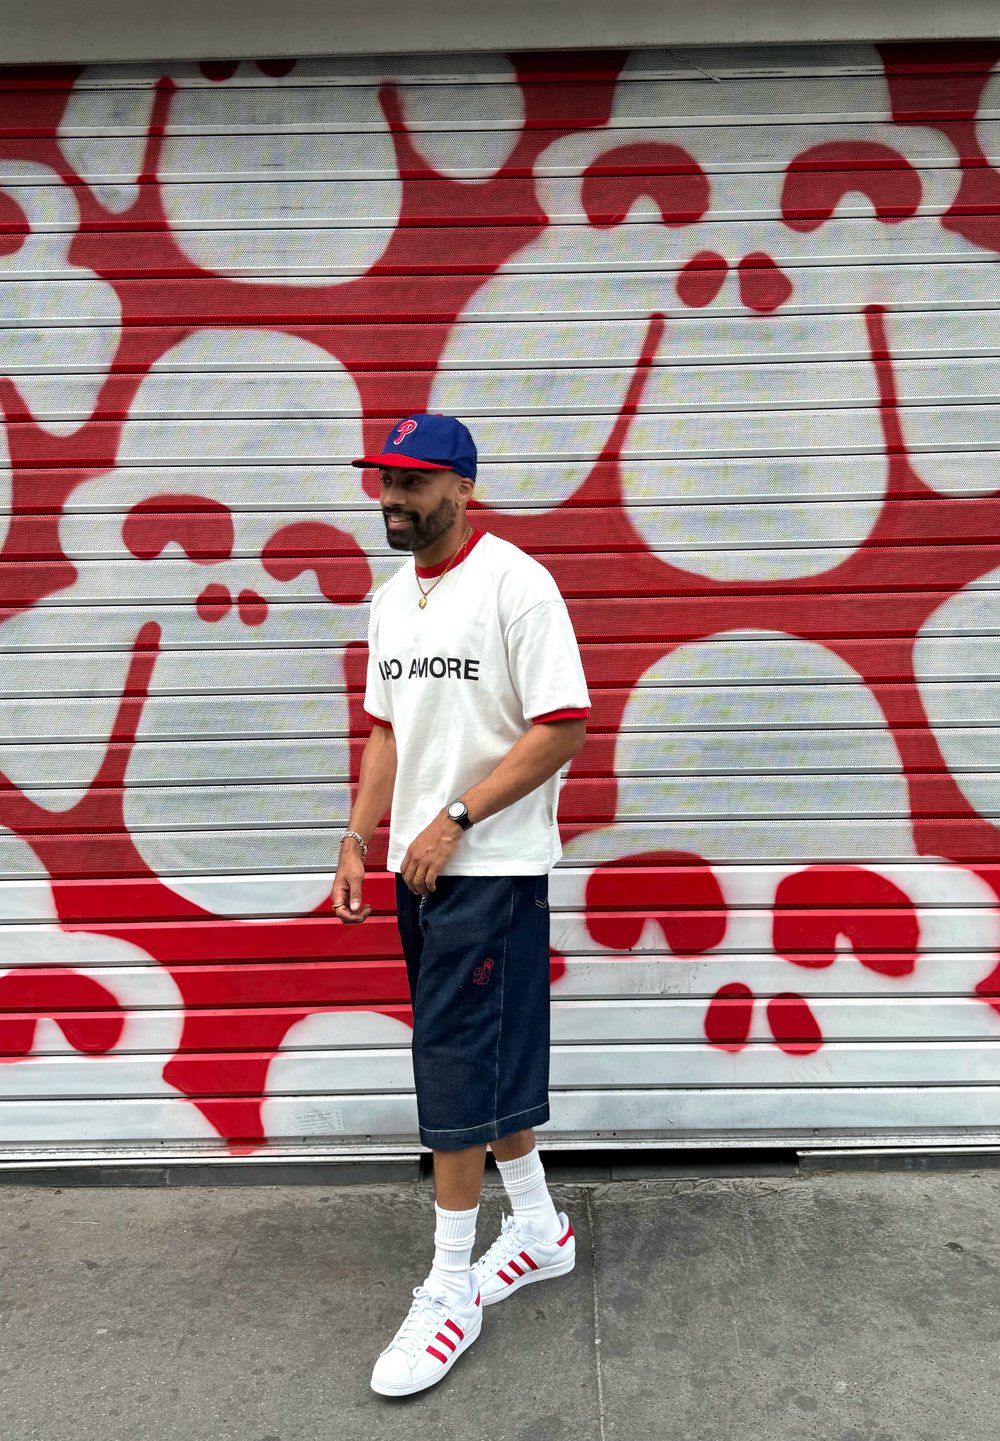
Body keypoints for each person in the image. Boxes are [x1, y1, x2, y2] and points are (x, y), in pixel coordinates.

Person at [332, 413, 590, 1398]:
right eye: (382, 482)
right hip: (417, 870)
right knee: (483, 1060)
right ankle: (537, 1227)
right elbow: (385, 733)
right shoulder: (391, 600)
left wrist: (453, 818)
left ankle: (450, 1286)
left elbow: (562, 725)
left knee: (450, 1068)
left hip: (491, 872)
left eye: (413, 481)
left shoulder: (515, 583)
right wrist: (362, 837)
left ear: (462, 487)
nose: (394, 499)